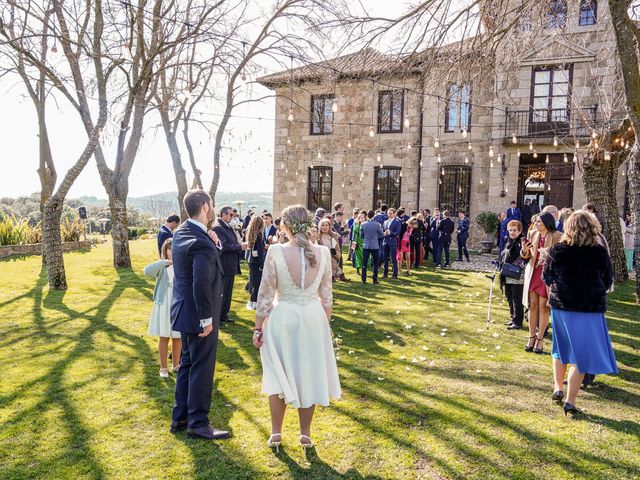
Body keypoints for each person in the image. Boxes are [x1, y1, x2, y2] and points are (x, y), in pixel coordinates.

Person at [252, 205, 341, 450]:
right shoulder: (323, 252)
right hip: (313, 318)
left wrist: (258, 328)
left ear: (286, 226)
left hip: (284, 318)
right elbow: (327, 297)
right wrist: (325, 326)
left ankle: (276, 432)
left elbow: (265, 294)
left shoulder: (276, 251)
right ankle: (305, 434)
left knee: (278, 374)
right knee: (308, 374)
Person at [543, 210, 617, 415]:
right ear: (593, 227)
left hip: (562, 307)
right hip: (588, 309)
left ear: (568, 227)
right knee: (580, 356)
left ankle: (558, 387)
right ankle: (570, 401)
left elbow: (546, 277)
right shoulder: (599, 252)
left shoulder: (557, 250)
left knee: (561, 347)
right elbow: (608, 279)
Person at [169, 189, 228, 440]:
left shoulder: (183, 232)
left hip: (183, 311)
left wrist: (215, 243)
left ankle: (180, 416)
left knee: (187, 364)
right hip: (199, 314)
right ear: (205, 207)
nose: (213, 208)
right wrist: (206, 318)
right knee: (202, 368)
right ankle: (199, 422)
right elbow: (201, 281)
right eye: (211, 204)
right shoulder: (200, 240)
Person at [520, 212, 562, 354]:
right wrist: (524, 250)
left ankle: (540, 339)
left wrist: (548, 255)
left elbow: (561, 257)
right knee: (532, 306)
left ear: (546, 223)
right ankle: (531, 337)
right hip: (533, 273)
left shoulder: (558, 236)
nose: (536, 224)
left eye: (539, 222)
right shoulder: (532, 233)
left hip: (547, 275)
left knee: (544, 307)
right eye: (536, 221)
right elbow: (527, 255)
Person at [144, 238, 181, 377]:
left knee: (177, 335)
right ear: (165, 251)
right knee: (164, 335)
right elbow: (147, 271)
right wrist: (164, 262)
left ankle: (176, 364)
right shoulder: (162, 267)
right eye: (170, 249)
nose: (173, 252)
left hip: (177, 300)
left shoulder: (181, 265)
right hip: (164, 301)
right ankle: (163, 367)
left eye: (175, 249)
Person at [213, 206, 248, 324]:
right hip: (224, 264)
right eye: (230, 215)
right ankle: (218, 317)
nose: (232, 217)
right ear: (223, 214)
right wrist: (240, 247)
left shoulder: (225, 226)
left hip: (230, 264)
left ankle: (224, 315)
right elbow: (224, 246)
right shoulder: (218, 227)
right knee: (222, 292)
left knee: (228, 292)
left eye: (233, 215)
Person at [499, 221, 526, 330]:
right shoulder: (509, 242)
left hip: (517, 274)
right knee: (509, 296)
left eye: (515, 230)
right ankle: (512, 317)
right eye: (510, 230)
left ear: (519, 231)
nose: (512, 232)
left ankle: (518, 321)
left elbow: (522, 257)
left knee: (517, 298)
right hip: (508, 273)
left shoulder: (521, 242)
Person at [246, 214, 266, 311]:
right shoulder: (259, 235)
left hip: (251, 261)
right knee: (257, 283)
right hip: (257, 262)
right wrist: (262, 264)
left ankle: (253, 301)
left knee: (253, 281)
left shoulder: (251, 233)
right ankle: (254, 301)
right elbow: (260, 252)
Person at [360, 209, 384, 283]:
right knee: (375, 263)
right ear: (374, 216)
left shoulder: (363, 224)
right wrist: (376, 236)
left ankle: (363, 279)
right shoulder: (377, 224)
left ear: (367, 215)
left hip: (366, 245)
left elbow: (361, 236)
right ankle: (374, 279)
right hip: (374, 245)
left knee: (364, 263)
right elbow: (382, 235)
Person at [383, 208, 401, 279]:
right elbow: (383, 230)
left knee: (393, 259)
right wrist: (383, 233)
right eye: (388, 213)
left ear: (394, 214)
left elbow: (398, 233)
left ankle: (394, 274)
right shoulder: (385, 222)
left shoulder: (397, 222)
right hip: (385, 242)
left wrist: (390, 233)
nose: (389, 214)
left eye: (390, 213)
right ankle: (385, 274)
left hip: (393, 242)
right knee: (385, 259)